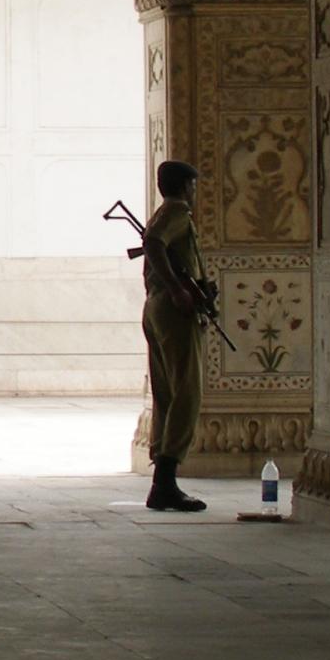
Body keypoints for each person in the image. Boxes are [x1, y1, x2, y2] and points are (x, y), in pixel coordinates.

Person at [139, 159, 213, 513]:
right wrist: (179, 290)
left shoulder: (160, 213)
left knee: (167, 393)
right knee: (188, 391)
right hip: (174, 310)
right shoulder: (177, 212)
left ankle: (162, 483)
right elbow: (153, 245)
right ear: (186, 187)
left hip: (157, 307)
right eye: (194, 186)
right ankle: (166, 479)